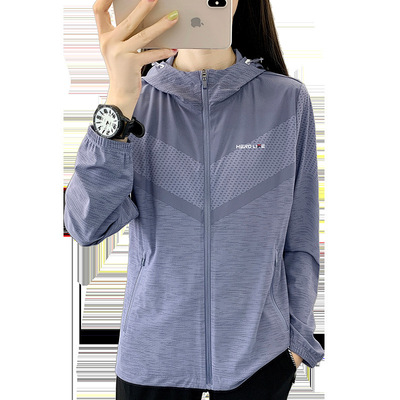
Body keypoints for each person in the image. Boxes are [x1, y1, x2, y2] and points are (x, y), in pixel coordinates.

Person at [64, 0, 325, 398]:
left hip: (260, 362)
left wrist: (296, 345)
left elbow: (300, 238)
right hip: (151, 361)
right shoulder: (133, 103)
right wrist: (119, 96)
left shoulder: (287, 101)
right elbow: (85, 226)